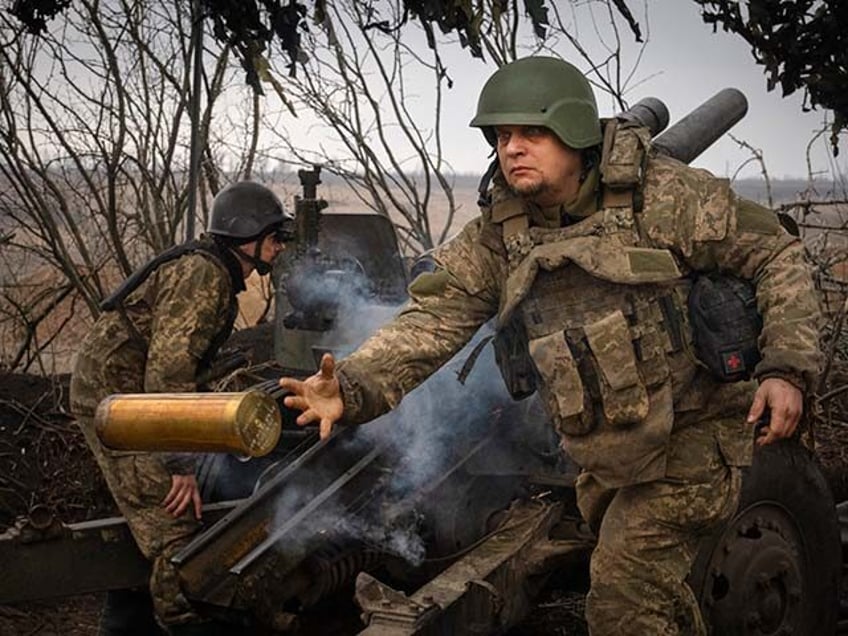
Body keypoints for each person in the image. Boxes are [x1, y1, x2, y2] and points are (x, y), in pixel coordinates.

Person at [279, 56, 821, 635]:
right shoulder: (501, 233)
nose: (512, 148)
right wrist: (353, 387)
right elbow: (432, 318)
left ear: (575, 134)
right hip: (607, 451)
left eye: (532, 133)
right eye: (502, 136)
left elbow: (776, 255)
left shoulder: (664, 198)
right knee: (656, 596)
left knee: (623, 597)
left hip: (694, 435)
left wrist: (786, 368)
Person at [70, 181, 293, 636]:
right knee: (173, 531)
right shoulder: (204, 275)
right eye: (273, 236)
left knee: (152, 521)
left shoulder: (211, 271)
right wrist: (180, 465)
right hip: (121, 408)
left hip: (133, 402)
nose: (278, 246)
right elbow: (167, 377)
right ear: (244, 235)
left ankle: (125, 625)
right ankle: (181, 621)